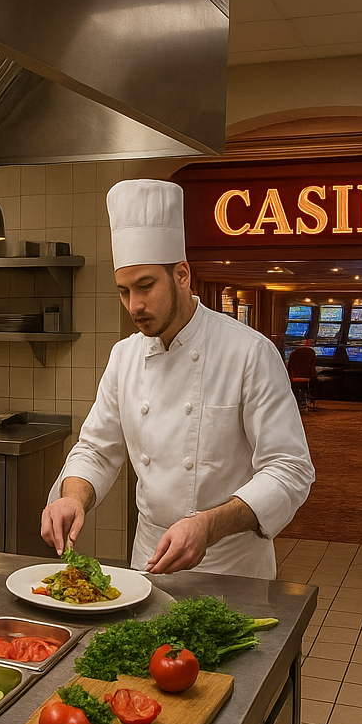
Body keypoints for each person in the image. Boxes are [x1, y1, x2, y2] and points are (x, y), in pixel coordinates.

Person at [40, 179, 314, 578]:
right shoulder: (124, 357)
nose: (134, 305)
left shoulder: (249, 352)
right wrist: (72, 497)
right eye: (124, 291)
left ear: (182, 274)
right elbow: (96, 449)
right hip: (149, 560)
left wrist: (207, 526)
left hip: (231, 567)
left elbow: (290, 470)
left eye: (145, 286)